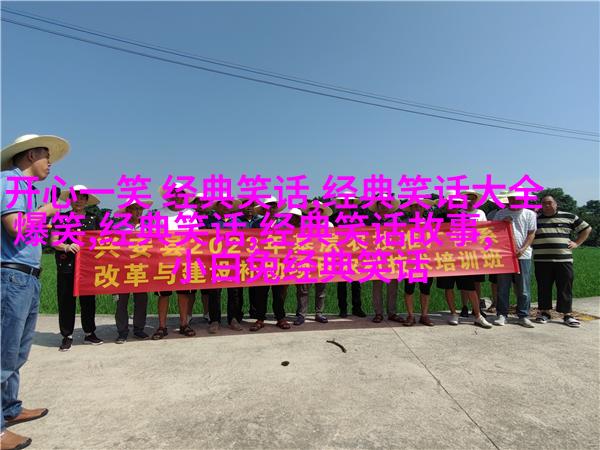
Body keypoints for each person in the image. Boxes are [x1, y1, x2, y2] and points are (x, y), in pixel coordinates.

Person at [1, 134, 69, 450]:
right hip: (11, 276)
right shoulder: (11, 183)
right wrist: (47, 211)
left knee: (16, 352)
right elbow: (15, 226)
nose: (50, 163)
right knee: (4, 352)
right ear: (30, 155)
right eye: (46, 155)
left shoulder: (26, 190)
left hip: (27, 277)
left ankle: (10, 409)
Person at [51, 185, 103, 350]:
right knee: (66, 300)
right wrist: (66, 246)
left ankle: (89, 333)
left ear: (87, 201)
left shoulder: (94, 219)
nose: (78, 201)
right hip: (66, 265)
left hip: (87, 267)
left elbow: (101, 242)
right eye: (75, 198)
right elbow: (54, 241)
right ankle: (67, 336)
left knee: (88, 301)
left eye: (82, 198)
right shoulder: (61, 218)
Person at [532, 195, 592, 327]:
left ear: (556, 204)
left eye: (550, 203)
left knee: (565, 287)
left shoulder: (569, 217)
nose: (547, 205)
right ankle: (544, 313)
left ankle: (567, 315)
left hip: (563, 259)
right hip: (542, 260)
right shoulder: (535, 218)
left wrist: (577, 243)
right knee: (543, 287)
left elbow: (587, 228)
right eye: (544, 203)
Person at [151, 183, 197, 340]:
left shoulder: (191, 214)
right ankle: (162, 326)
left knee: (183, 293)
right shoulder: (159, 213)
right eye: (174, 193)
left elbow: (196, 238)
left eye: (181, 194)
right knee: (164, 295)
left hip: (184, 260)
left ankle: (184, 324)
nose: (178, 197)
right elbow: (154, 237)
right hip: (164, 260)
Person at [493, 191, 537, 328]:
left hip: (523, 255)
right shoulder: (500, 214)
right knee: (503, 286)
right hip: (504, 255)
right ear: (509, 199)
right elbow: (493, 233)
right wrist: (502, 223)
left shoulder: (530, 214)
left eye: (518, 198)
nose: (515, 201)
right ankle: (502, 314)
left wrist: (523, 249)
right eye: (512, 198)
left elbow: (531, 233)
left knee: (523, 287)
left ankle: (523, 315)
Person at [113, 200, 153, 343]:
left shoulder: (148, 227)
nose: (138, 211)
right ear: (128, 211)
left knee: (141, 300)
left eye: (140, 209)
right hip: (122, 268)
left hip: (141, 268)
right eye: (134, 208)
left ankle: (139, 329)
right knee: (121, 301)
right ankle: (122, 331)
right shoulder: (118, 226)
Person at [248, 196, 290, 331]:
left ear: (277, 208)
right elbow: (250, 242)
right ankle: (260, 318)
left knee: (279, 293)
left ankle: (280, 318)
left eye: (273, 206)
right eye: (268, 206)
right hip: (262, 262)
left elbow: (290, 242)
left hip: (279, 262)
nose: (271, 208)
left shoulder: (284, 224)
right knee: (261, 293)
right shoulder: (256, 224)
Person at [368, 194, 404, 324]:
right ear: (377, 206)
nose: (383, 205)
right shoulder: (371, 221)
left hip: (392, 258)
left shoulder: (396, 220)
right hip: (376, 258)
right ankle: (378, 313)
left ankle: (392, 312)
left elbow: (403, 237)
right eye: (381, 203)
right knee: (377, 287)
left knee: (392, 287)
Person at [291, 206, 329, 326]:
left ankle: (319, 313)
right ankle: (302, 314)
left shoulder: (329, 226)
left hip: (322, 261)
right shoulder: (303, 226)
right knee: (303, 290)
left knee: (321, 290)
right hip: (305, 261)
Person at [330, 191, 366, 317]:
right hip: (340, 255)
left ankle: (357, 308)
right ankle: (343, 309)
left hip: (355, 254)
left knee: (356, 282)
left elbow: (364, 235)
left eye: (349, 201)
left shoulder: (358, 217)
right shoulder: (333, 219)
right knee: (341, 283)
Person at [403, 199, 435, 326]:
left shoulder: (430, 223)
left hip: (426, 261)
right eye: (414, 206)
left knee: (425, 289)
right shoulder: (404, 224)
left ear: (423, 208)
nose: (417, 209)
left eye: (419, 206)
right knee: (409, 289)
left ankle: (424, 315)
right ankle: (410, 315)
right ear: (410, 209)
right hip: (410, 261)